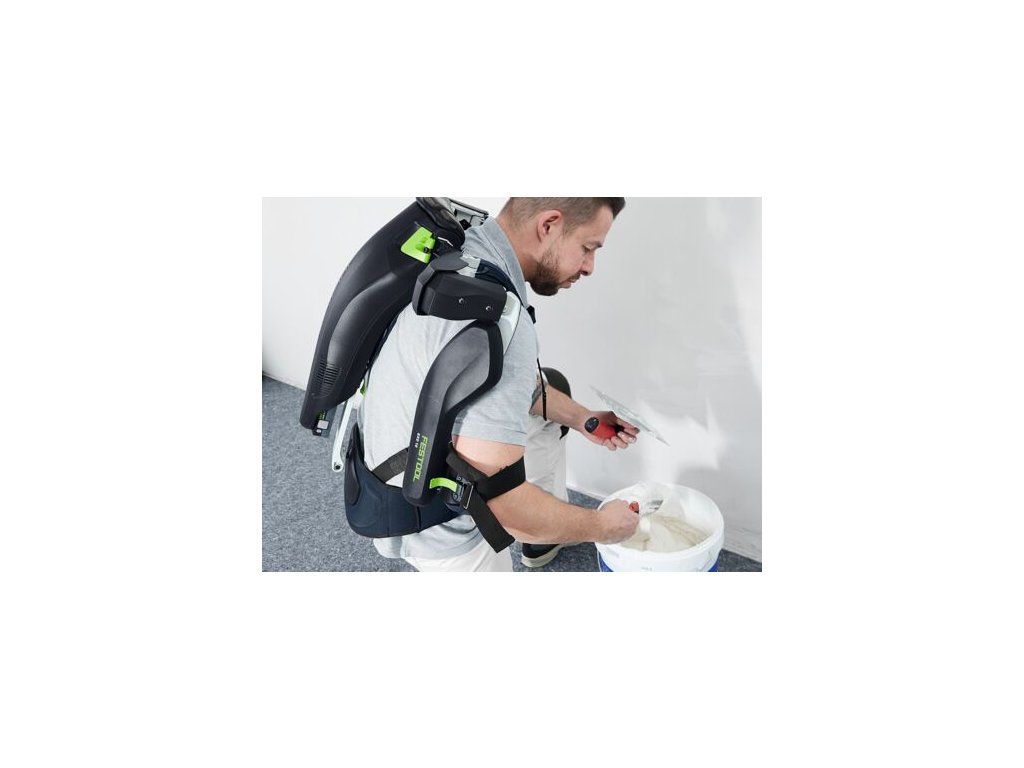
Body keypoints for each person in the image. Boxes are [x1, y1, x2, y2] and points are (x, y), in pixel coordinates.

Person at [357, 197, 640, 571]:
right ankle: (542, 528)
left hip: (382, 463)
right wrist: (601, 526)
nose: (589, 267)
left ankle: (545, 537)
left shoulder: (465, 251)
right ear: (549, 225)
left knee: (553, 385)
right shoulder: (498, 318)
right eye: (588, 248)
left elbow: (495, 381)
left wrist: (583, 419)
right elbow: (507, 506)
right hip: (432, 523)